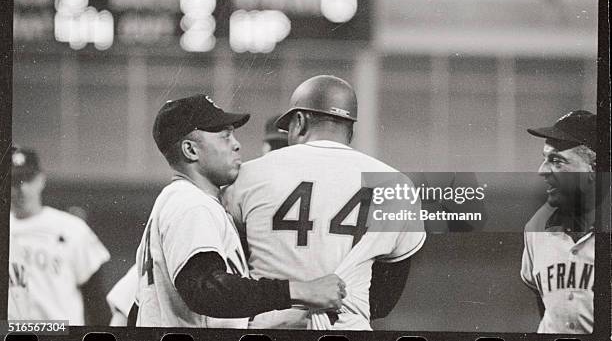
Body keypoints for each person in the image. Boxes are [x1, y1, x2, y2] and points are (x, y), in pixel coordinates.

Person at [224, 75, 426, 330]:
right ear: (350, 129)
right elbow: (384, 301)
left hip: (271, 328)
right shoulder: (395, 184)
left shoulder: (247, 174)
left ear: (299, 121)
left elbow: (232, 273)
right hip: (348, 329)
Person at [133, 93, 346, 328]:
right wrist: (300, 290)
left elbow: (138, 307)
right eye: (225, 136)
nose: (236, 144)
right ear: (190, 150)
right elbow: (205, 289)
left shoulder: (177, 201)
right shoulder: (192, 204)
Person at [9, 146, 111, 325]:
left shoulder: (71, 228)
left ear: (41, 179)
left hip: (61, 333)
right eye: (15, 181)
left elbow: (96, 300)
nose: (22, 189)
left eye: (28, 179)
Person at [521, 110, 597, 334]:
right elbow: (545, 305)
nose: (542, 170)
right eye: (544, 159)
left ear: (594, 168)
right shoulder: (536, 227)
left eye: (556, 161)